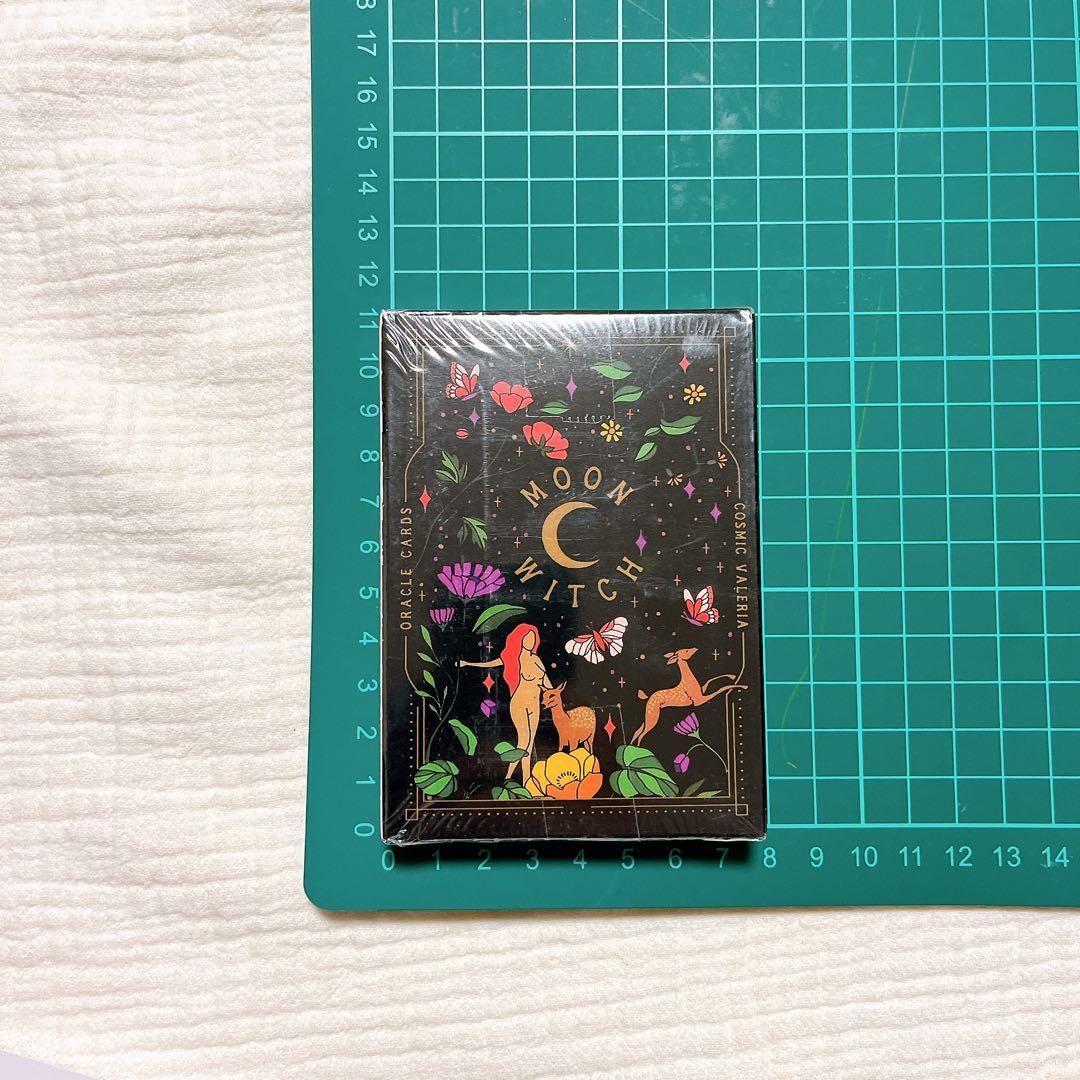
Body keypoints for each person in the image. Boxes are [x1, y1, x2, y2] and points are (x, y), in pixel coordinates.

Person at [459, 623, 550, 784]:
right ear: (520, 639)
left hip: (534, 703)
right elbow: (490, 663)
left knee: (529, 744)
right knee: (523, 742)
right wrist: (468, 663)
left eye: (533, 638)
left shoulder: (536, 660)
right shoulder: (512, 657)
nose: (530, 642)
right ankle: (517, 778)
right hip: (520, 702)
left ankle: (519, 779)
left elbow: (547, 685)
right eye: (527, 638)